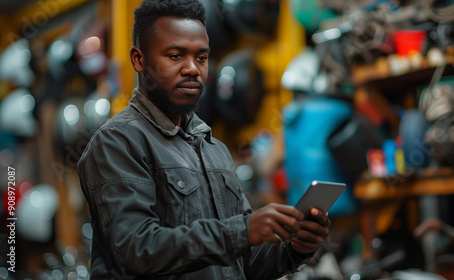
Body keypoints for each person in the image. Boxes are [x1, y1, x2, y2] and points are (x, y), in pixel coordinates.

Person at [77, 0, 331, 279]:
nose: (193, 69)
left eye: (201, 57)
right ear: (139, 59)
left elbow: (244, 265)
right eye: (175, 56)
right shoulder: (117, 143)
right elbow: (136, 251)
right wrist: (243, 231)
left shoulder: (214, 149)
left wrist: (294, 248)